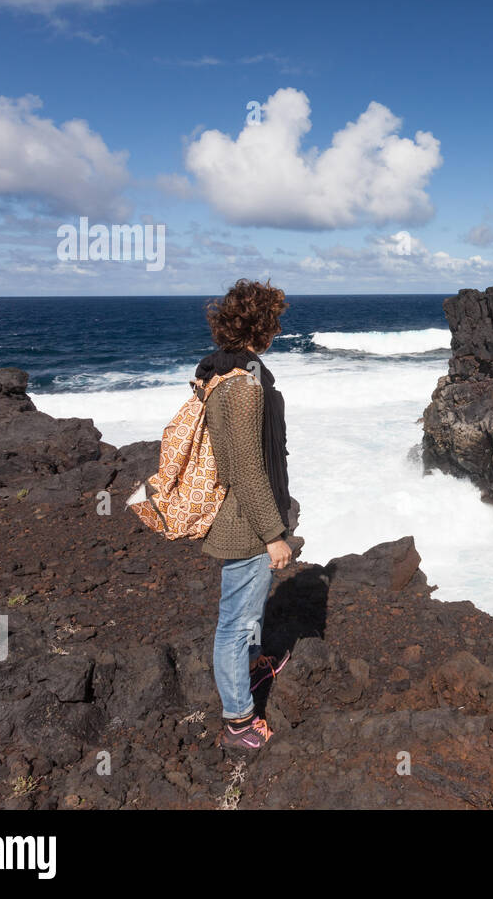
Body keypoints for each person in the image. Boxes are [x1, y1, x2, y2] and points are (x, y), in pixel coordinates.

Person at [198, 279, 296, 751]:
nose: (277, 328)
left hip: (247, 519)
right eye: (274, 319)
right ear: (264, 325)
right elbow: (246, 471)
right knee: (235, 624)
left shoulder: (222, 373)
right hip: (246, 525)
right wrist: (274, 535)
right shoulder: (242, 388)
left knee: (248, 614)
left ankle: (252, 667)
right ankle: (238, 721)